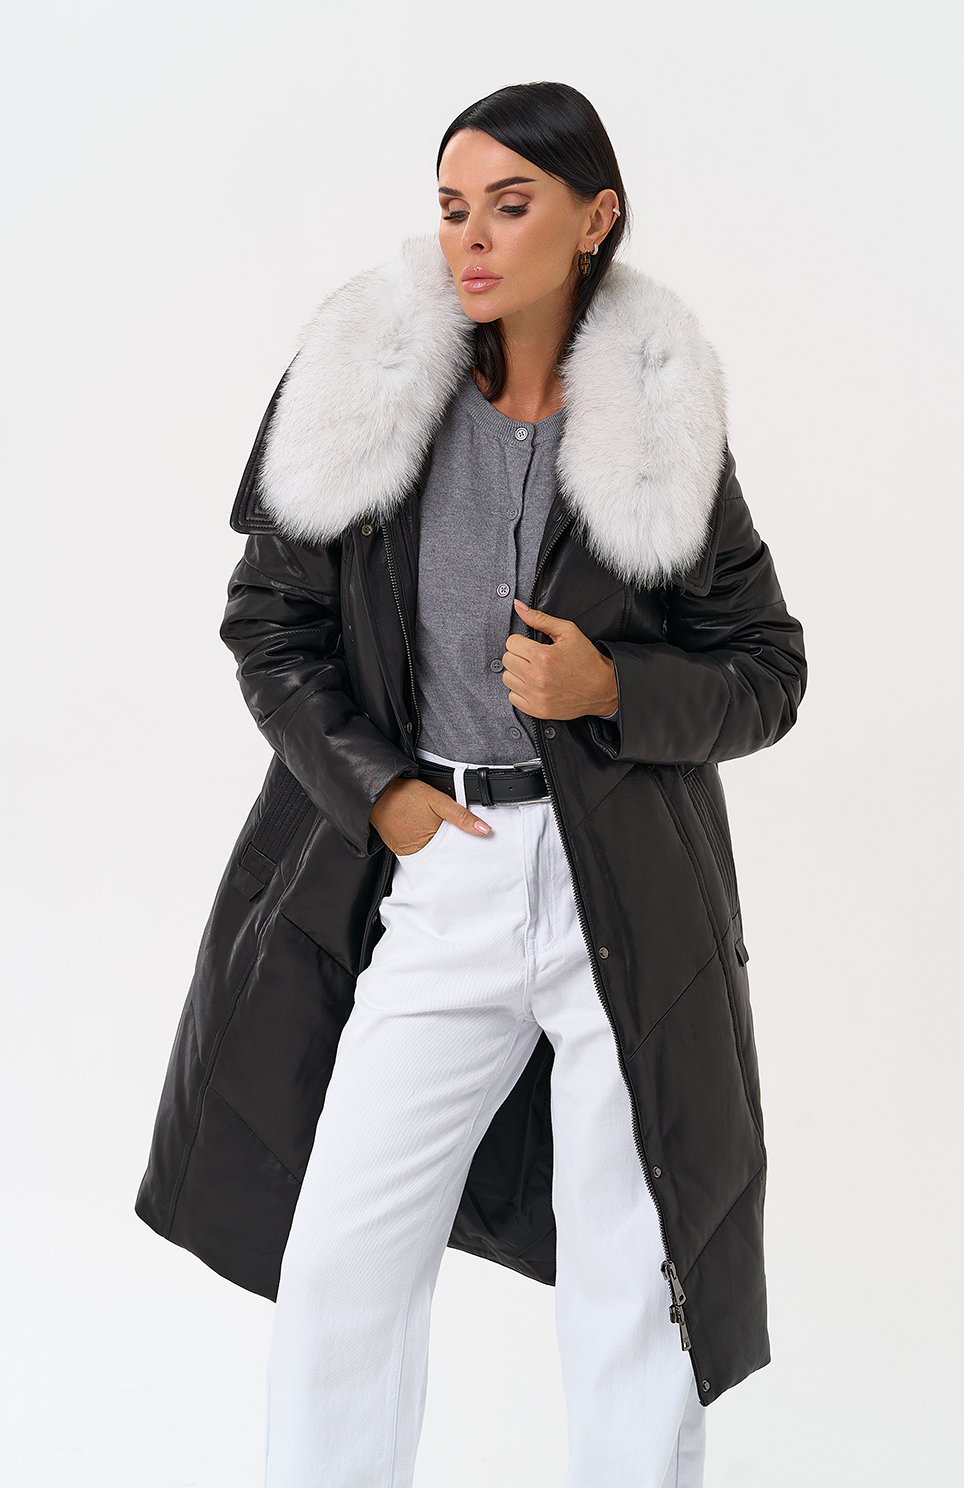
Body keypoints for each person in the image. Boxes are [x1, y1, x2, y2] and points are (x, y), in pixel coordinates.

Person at [136, 80, 807, 1488]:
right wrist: (378, 792)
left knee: (634, 1276)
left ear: (594, 219)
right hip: (439, 867)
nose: (473, 239)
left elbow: (766, 669)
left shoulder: (661, 423)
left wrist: (612, 688)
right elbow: (268, 623)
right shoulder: (366, 389)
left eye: (511, 204)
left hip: (622, 885)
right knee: (342, 1259)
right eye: (453, 208)